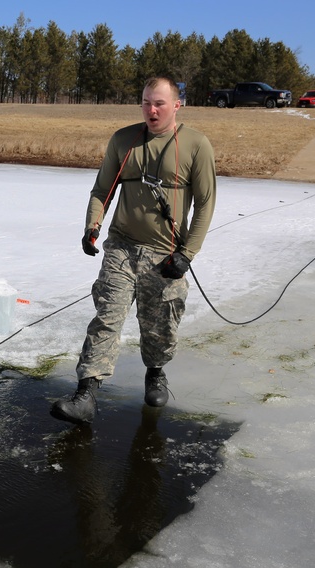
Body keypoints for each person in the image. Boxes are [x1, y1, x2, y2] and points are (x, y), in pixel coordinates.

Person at [51, 76, 216, 424]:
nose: (151, 110)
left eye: (159, 103)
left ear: (176, 105)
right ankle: (87, 393)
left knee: (160, 327)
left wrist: (188, 253)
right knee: (107, 317)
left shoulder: (195, 145)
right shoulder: (124, 140)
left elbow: (205, 204)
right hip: (122, 247)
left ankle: (155, 372)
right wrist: (92, 227)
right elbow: (102, 190)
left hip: (166, 254)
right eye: (145, 103)